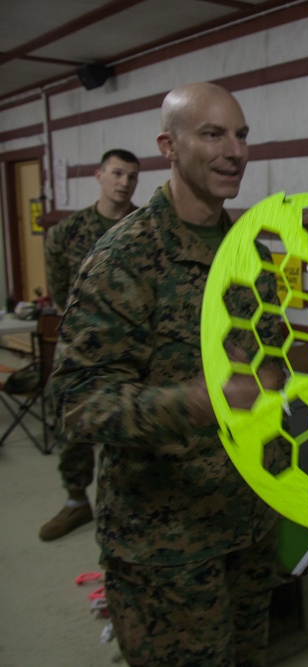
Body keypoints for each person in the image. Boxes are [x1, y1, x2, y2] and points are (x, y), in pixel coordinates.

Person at [49, 82, 285, 666]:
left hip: (249, 524)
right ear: (169, 146)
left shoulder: (250, 253)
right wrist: (195, 402)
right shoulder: (123, 257)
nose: (235, 151)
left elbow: (269, 364)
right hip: (166, 549)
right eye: (212, 134)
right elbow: (77, 402)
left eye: (242, 134)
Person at [39, 148, 140, 542]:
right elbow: (57, 281)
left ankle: (129, 511)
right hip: (83, 346)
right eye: (117, 173)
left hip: (132, 346)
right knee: (75, 425)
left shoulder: (143, 226)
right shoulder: (69, 231)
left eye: (131, 176)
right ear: (99, 175)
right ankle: (75, 501)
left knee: (132, 428)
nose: (124, 182)